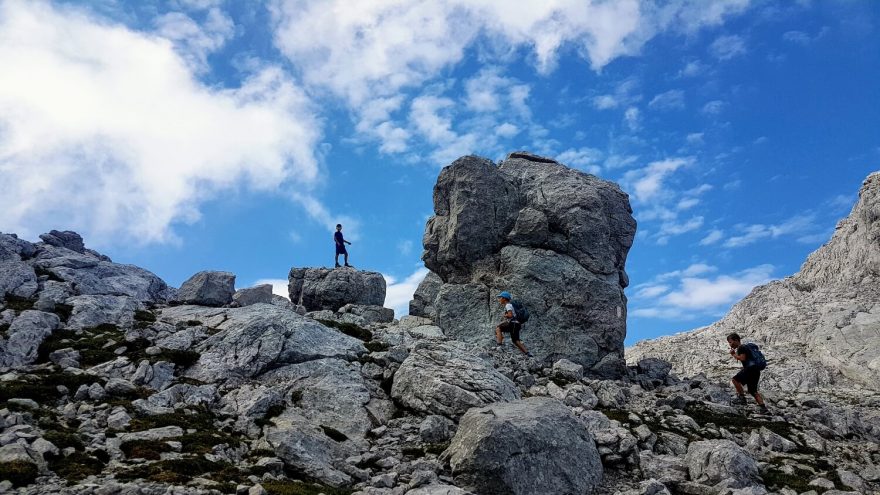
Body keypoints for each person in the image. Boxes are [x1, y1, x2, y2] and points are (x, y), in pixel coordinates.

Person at [727, 332, 768, 412]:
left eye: (730, 342)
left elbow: (742, 358)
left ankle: (742, 398)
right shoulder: (746, 347)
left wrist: (734, 355)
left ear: (736, 340)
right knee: (753, 391)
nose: (730, 344)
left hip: (750, 368)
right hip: (756, 370)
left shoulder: (741, 347)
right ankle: (763, 408)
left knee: (735, 380)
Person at [495, 291, 533, 357]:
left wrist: (506, 315)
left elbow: (510, 315)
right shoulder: (510, 305)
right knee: (515, 340)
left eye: (500, 298)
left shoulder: (508, 305)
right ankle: (528, 353)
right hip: (517, 324)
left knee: (498, 328)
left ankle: (499, 346)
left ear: (504, 298)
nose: (499, 299)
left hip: (513, 324)